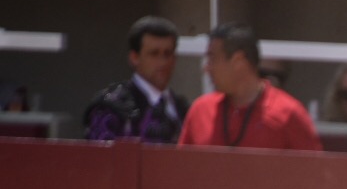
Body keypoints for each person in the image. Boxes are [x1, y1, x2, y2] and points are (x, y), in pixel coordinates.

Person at [178, 23, 321, 151]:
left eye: (212, 59)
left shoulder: (288, 114)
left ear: (238, 61)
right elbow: (182, 170)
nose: (207, 68)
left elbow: (314, 173)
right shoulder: (201, 111)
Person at [83, 15, 188, 143]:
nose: (162, 62)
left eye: (167, 54)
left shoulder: (183, 109)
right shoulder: (113, 107)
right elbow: (100, 160)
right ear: (134, 58)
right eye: (154, 53)